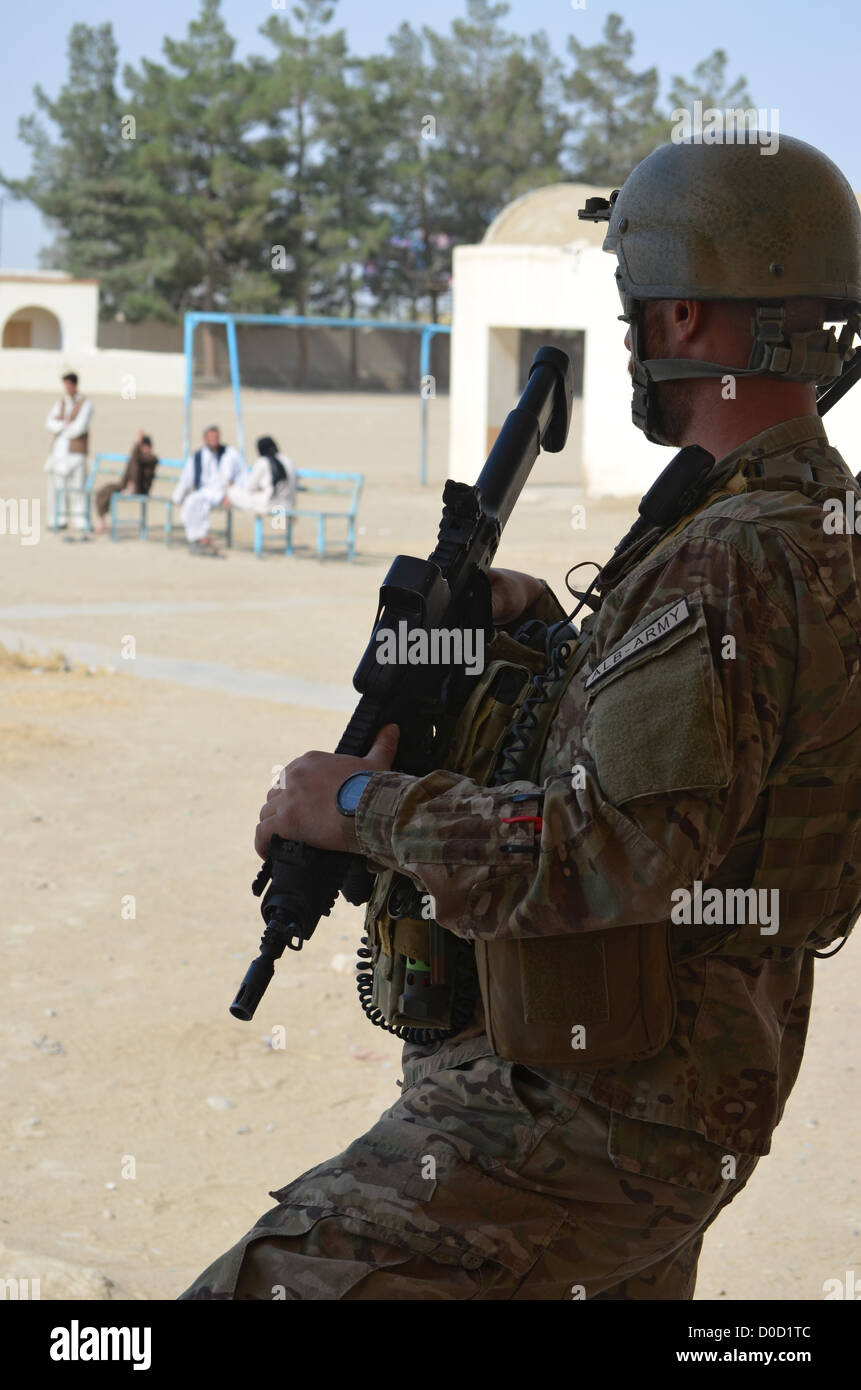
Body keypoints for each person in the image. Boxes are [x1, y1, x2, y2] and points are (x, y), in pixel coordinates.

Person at [180, 133, 861, 1300]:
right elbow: (730, 767)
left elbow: (599, 854)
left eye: (635, 302)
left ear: (685, 313)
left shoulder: (723, 558)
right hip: (702, 1083)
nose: (633, 331)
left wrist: (355, 803)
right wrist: (559, 641)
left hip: (585, 1117)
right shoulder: (813, 523)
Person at [171, 425, 242, 556]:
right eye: (211, 437)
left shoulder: (229, 453)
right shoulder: (198, 456)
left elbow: (241, 475)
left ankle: (202, 540)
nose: (214, 440)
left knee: (197, 502)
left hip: (224, 494)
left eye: (216, 437)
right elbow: (186, 478)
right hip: (204, 492)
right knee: (192, 502)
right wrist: (177, 497)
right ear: (205, 439)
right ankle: (199, 539)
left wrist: (231, 494)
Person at [44, 371, 93, 538]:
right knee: (57, 487)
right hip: (59, 452)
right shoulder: (61, 402)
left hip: (76, 453)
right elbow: (49, 422)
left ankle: (81, 521)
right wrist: (64, 424)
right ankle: (58, 519)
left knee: (78, 487)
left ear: (74, 385)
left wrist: (63, 425)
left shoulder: (86, 403)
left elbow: (80, 427)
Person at [94, 430, 159, 535]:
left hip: (141, 489)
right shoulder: (137, 456)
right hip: (125, 486)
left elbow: (137, 458)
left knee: (135, 462)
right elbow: (136, 457)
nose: (144, 449)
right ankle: (102, 522)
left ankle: (131, 487)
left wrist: (137, 443)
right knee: (104, 491)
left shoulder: (152, 459)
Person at [226, 435, 297, 515]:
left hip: (270, 505)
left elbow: (249, 487)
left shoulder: (262, 462)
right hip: (288, 504)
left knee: (231, 492)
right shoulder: (288, 460)